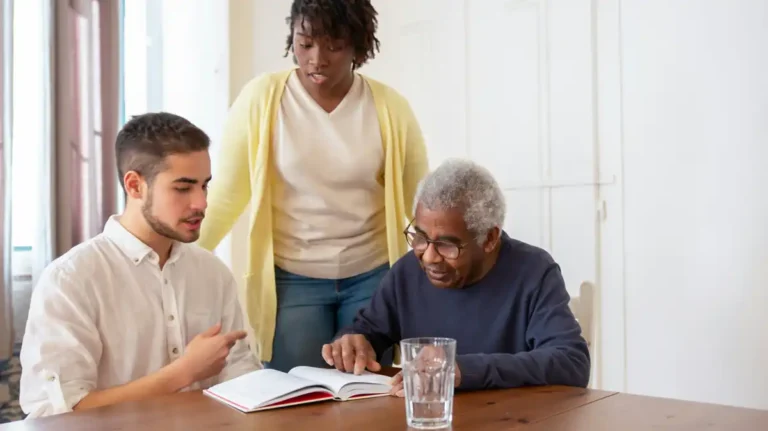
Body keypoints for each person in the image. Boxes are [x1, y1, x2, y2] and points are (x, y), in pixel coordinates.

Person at [196, 0, 428, 372]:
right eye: (305, 44)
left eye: (333, 46)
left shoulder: (389, 107)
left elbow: (422, 202)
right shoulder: (262, 99)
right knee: (295, 399)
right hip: (292, 280)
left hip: (372, 276)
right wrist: (174, 258)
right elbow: (226, 197)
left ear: (358, 46)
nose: (316, 59)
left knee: (367, 396)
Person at [19, 113, 261, 418]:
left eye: (204, 186)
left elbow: (241, 375)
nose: (201, 203)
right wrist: (182, 373)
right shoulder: (71, 280)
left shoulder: (212, 273)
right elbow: (55, 413)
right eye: (183, 188)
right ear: (135, 186)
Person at [321, 159, 591, 394]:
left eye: (447, 245)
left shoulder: (533, 271)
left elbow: (571, 362)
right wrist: (354, 342)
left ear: (489, 238)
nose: (428, 256)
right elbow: (369, 331)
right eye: (420, 238)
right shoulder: (406, 272)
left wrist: (463, 370)